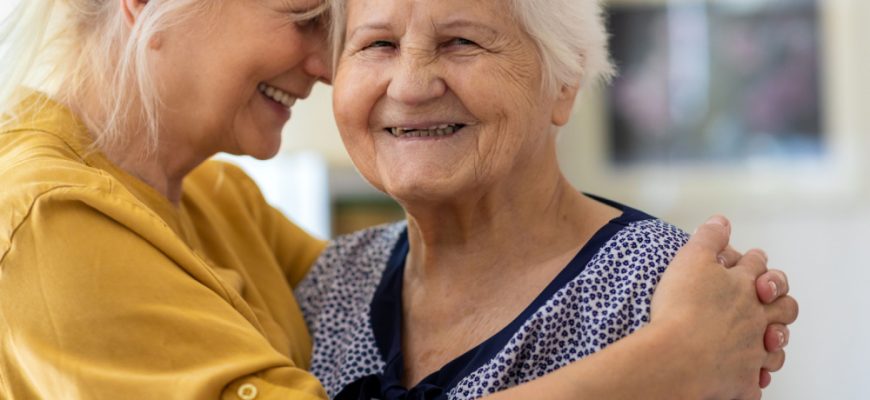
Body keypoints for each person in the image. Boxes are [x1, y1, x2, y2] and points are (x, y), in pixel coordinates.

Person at [0, 0, 795, 399]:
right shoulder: (45, 220)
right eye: (363, 40)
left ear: (565, 82)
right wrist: (664, 364)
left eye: (463, 41)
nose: (324, 65)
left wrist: (724, 313)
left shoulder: (219, 200)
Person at [294, 0, 797, 399]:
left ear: (565, 81)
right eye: (379, 44)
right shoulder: (333, 281)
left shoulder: (665, 288)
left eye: (461, 42)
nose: (411, 85)